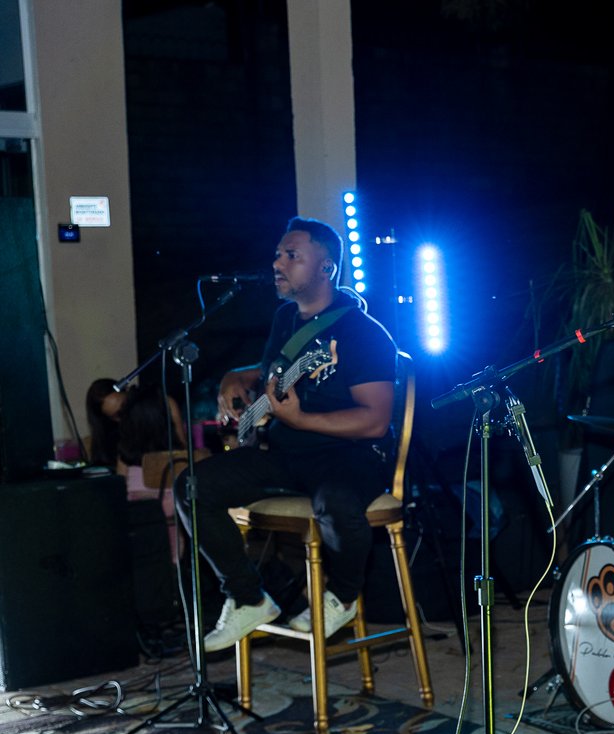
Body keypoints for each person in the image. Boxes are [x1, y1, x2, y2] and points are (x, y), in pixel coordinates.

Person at [176, 216, 397, 653]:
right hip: (288, 452)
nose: (277, 263)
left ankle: (343, 596)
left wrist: (301, 420)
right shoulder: (286, 319)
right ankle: (247, 598)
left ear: (325, 267)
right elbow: (272, 375)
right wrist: (235, 377)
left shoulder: (364, 334)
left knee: (336, 503)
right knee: (193, 487)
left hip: (350, 455)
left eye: (291, 256)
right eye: (278, 254)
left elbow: (375, 421)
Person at [85, 377, 187, 476]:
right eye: (117, 415)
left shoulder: (159, 407)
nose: (124, 415)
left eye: (125, 406)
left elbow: (182, 450)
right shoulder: (118, 443)